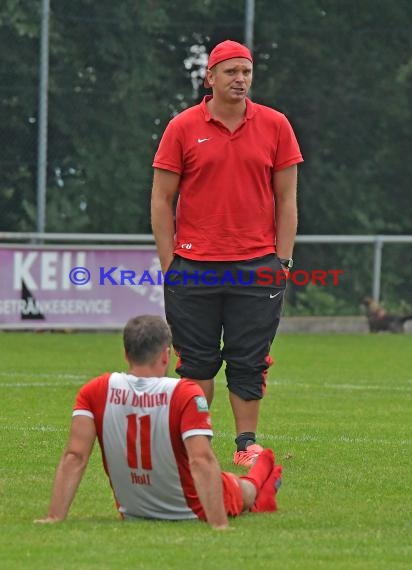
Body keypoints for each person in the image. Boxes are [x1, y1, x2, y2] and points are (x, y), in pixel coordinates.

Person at [151, 39, 303, 467]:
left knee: (249, 360)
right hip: (193, 267)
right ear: (210, 77)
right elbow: (162, 200)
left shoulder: (276, 125)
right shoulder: (181, 127)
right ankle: (196, 444)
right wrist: (170, 265)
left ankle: (245, 445)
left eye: (246, 72)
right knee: (196, 363)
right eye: (231, 72)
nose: (240, 80)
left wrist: (283, 261)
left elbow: (287, 199)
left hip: (258, 266)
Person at [34, 315, 282, 528]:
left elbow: (74, 456)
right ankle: (263, 470)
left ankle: (264, 469)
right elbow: (201, 459)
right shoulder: (184, 393)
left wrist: (54, 517)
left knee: (226, 481)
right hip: (193, 510)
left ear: (125, 354)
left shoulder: (96, 389)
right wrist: (219, 525)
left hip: (133, 510)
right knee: (244, 489)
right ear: (165, 356)